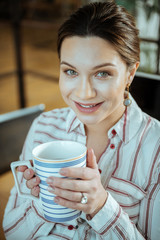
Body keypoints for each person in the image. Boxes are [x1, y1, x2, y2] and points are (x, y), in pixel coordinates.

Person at [3, 1, 160, 239]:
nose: (84, 93)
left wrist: (100, 206)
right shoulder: (43, 128)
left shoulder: (155, 148)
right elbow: (12, 229)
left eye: (102, 73)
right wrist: (41, 202)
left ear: (130, 73)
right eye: (71, 71)